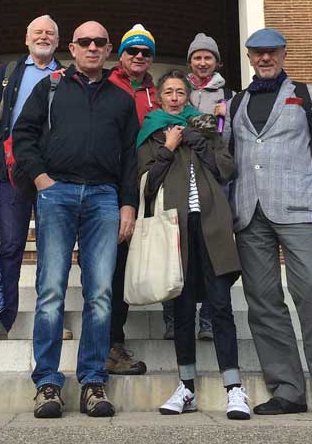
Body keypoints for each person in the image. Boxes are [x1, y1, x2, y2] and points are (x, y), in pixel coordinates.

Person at [225, 27, 312, 421]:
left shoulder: (307, 94)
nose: (264, 59)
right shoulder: (237, 102)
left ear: (284, 54)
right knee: (263, 302)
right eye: (257, 53)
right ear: (249, 57)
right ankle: (286, 389)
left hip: (300, 210)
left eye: (272, 52)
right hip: (250, 215)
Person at [12, 21, 139, 419]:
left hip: (104, 197)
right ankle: (47, 383)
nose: (92, 47)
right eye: (84, 41)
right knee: (51, 290)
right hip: (58, 194)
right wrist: (41, 179)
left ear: (108, 49)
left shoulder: (120, 99)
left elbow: (131, 159)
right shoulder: (49, 88)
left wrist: (128, 205)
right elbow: (23, 135)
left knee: (100, 293)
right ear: (73, 47)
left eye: (100, 42)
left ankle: (93, 383)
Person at [137, 70, 250, 420]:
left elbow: (228, 169)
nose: (174, 98)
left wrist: (200, 142)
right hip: (175, 230)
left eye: (180, 92)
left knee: (220, 307)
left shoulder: (204, 128)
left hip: (211, 226)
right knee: (183, 310)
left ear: (187, 95)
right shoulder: (151, 133)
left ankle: (234, 389)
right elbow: (146, 184)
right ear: (159, 96)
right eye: (168, 92)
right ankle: (186, 387)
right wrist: (169, 149)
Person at [0, 15, 65, 341]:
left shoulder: (65, 75)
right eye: (38, 32)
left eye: (49, 33)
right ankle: (1, 319)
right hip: (10, 171)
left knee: (52, 248)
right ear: (27, 38)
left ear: (57, 40)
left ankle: (50, 320)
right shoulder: (9, 73)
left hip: (51, 173)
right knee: (10, 245)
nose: (43, 36)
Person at [163, 32, 231, 342]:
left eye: (208, 57)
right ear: (190, 61)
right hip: (179, 180)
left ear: (217, 61)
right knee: (175, 252)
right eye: (197, 57)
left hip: (213, 181)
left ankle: (206, 319)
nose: (202, 62)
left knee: (211, 252)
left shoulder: (229, 96)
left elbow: (229, 142)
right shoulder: (181, 93)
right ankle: (174, 318)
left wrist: (222, 119)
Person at [105, 22, 158, 375]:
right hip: (110, 186)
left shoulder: (161, 92)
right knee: (112, 265)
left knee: (129, 265)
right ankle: (109, 342)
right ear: (120, 54)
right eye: (132, 51)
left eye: (145, 52)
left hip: (149, 185)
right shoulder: (107, 86)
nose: (138, 56)